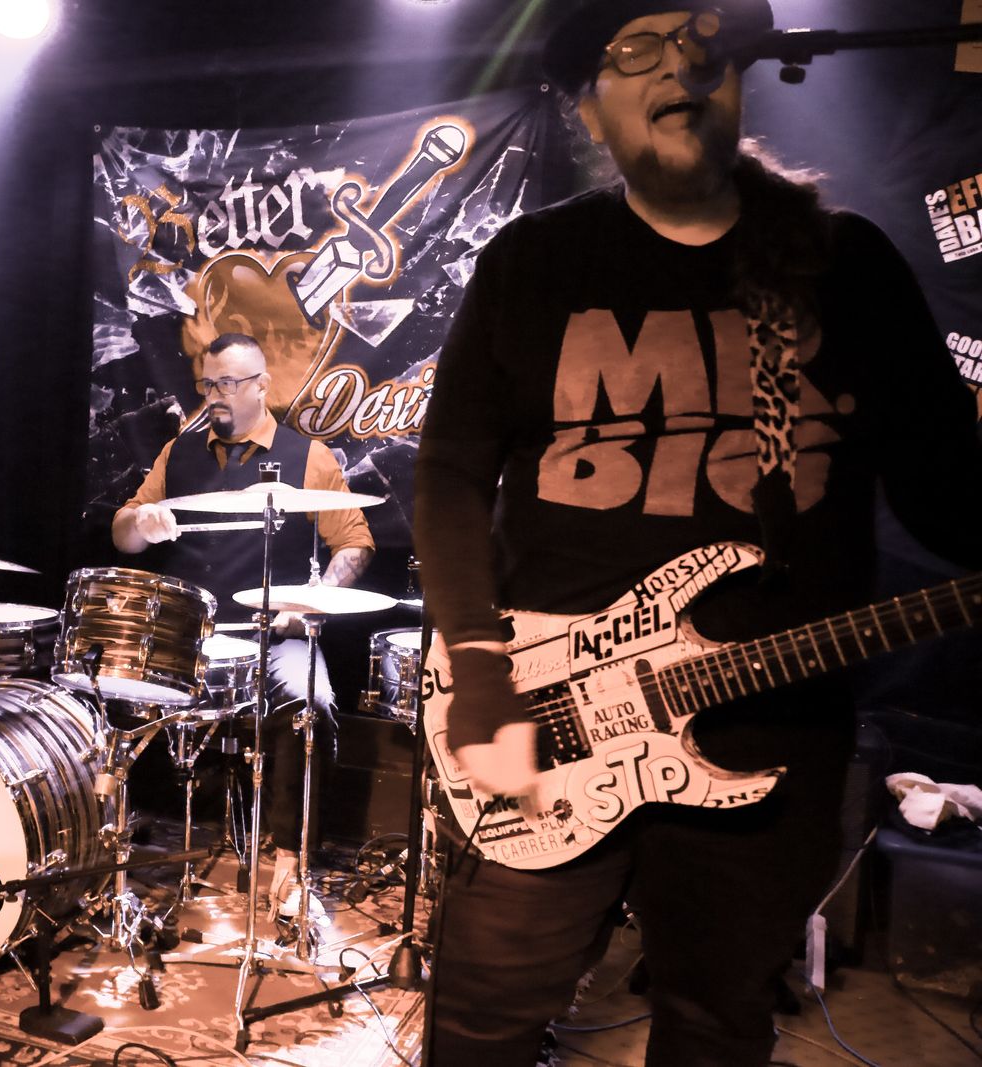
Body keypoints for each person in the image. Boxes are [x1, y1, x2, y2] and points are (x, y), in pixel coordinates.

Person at [412, 1, 982, 1063]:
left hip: (775, 731)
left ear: (738, 74)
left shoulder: (845, 265)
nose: (676, 64)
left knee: (716, 1028)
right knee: (483, 1020)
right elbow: (447, 472)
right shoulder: (535, 262)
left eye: (697, 41)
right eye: (635, 48)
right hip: (551, 710)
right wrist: (480, 663)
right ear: (587, 107)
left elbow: (949, 494)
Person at [113, 333, 375, 920]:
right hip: (187, 636)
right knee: (97, 687)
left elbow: (355, 542)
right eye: (208, 384)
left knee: (312, 704)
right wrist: (141, 522)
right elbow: (123, 535)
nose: (215, 395)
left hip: (272, 634)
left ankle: (290, 864)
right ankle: (104, 844)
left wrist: (312, 603)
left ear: (262, 385)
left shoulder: (309, 457)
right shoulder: (178, 452)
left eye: (228, 384)